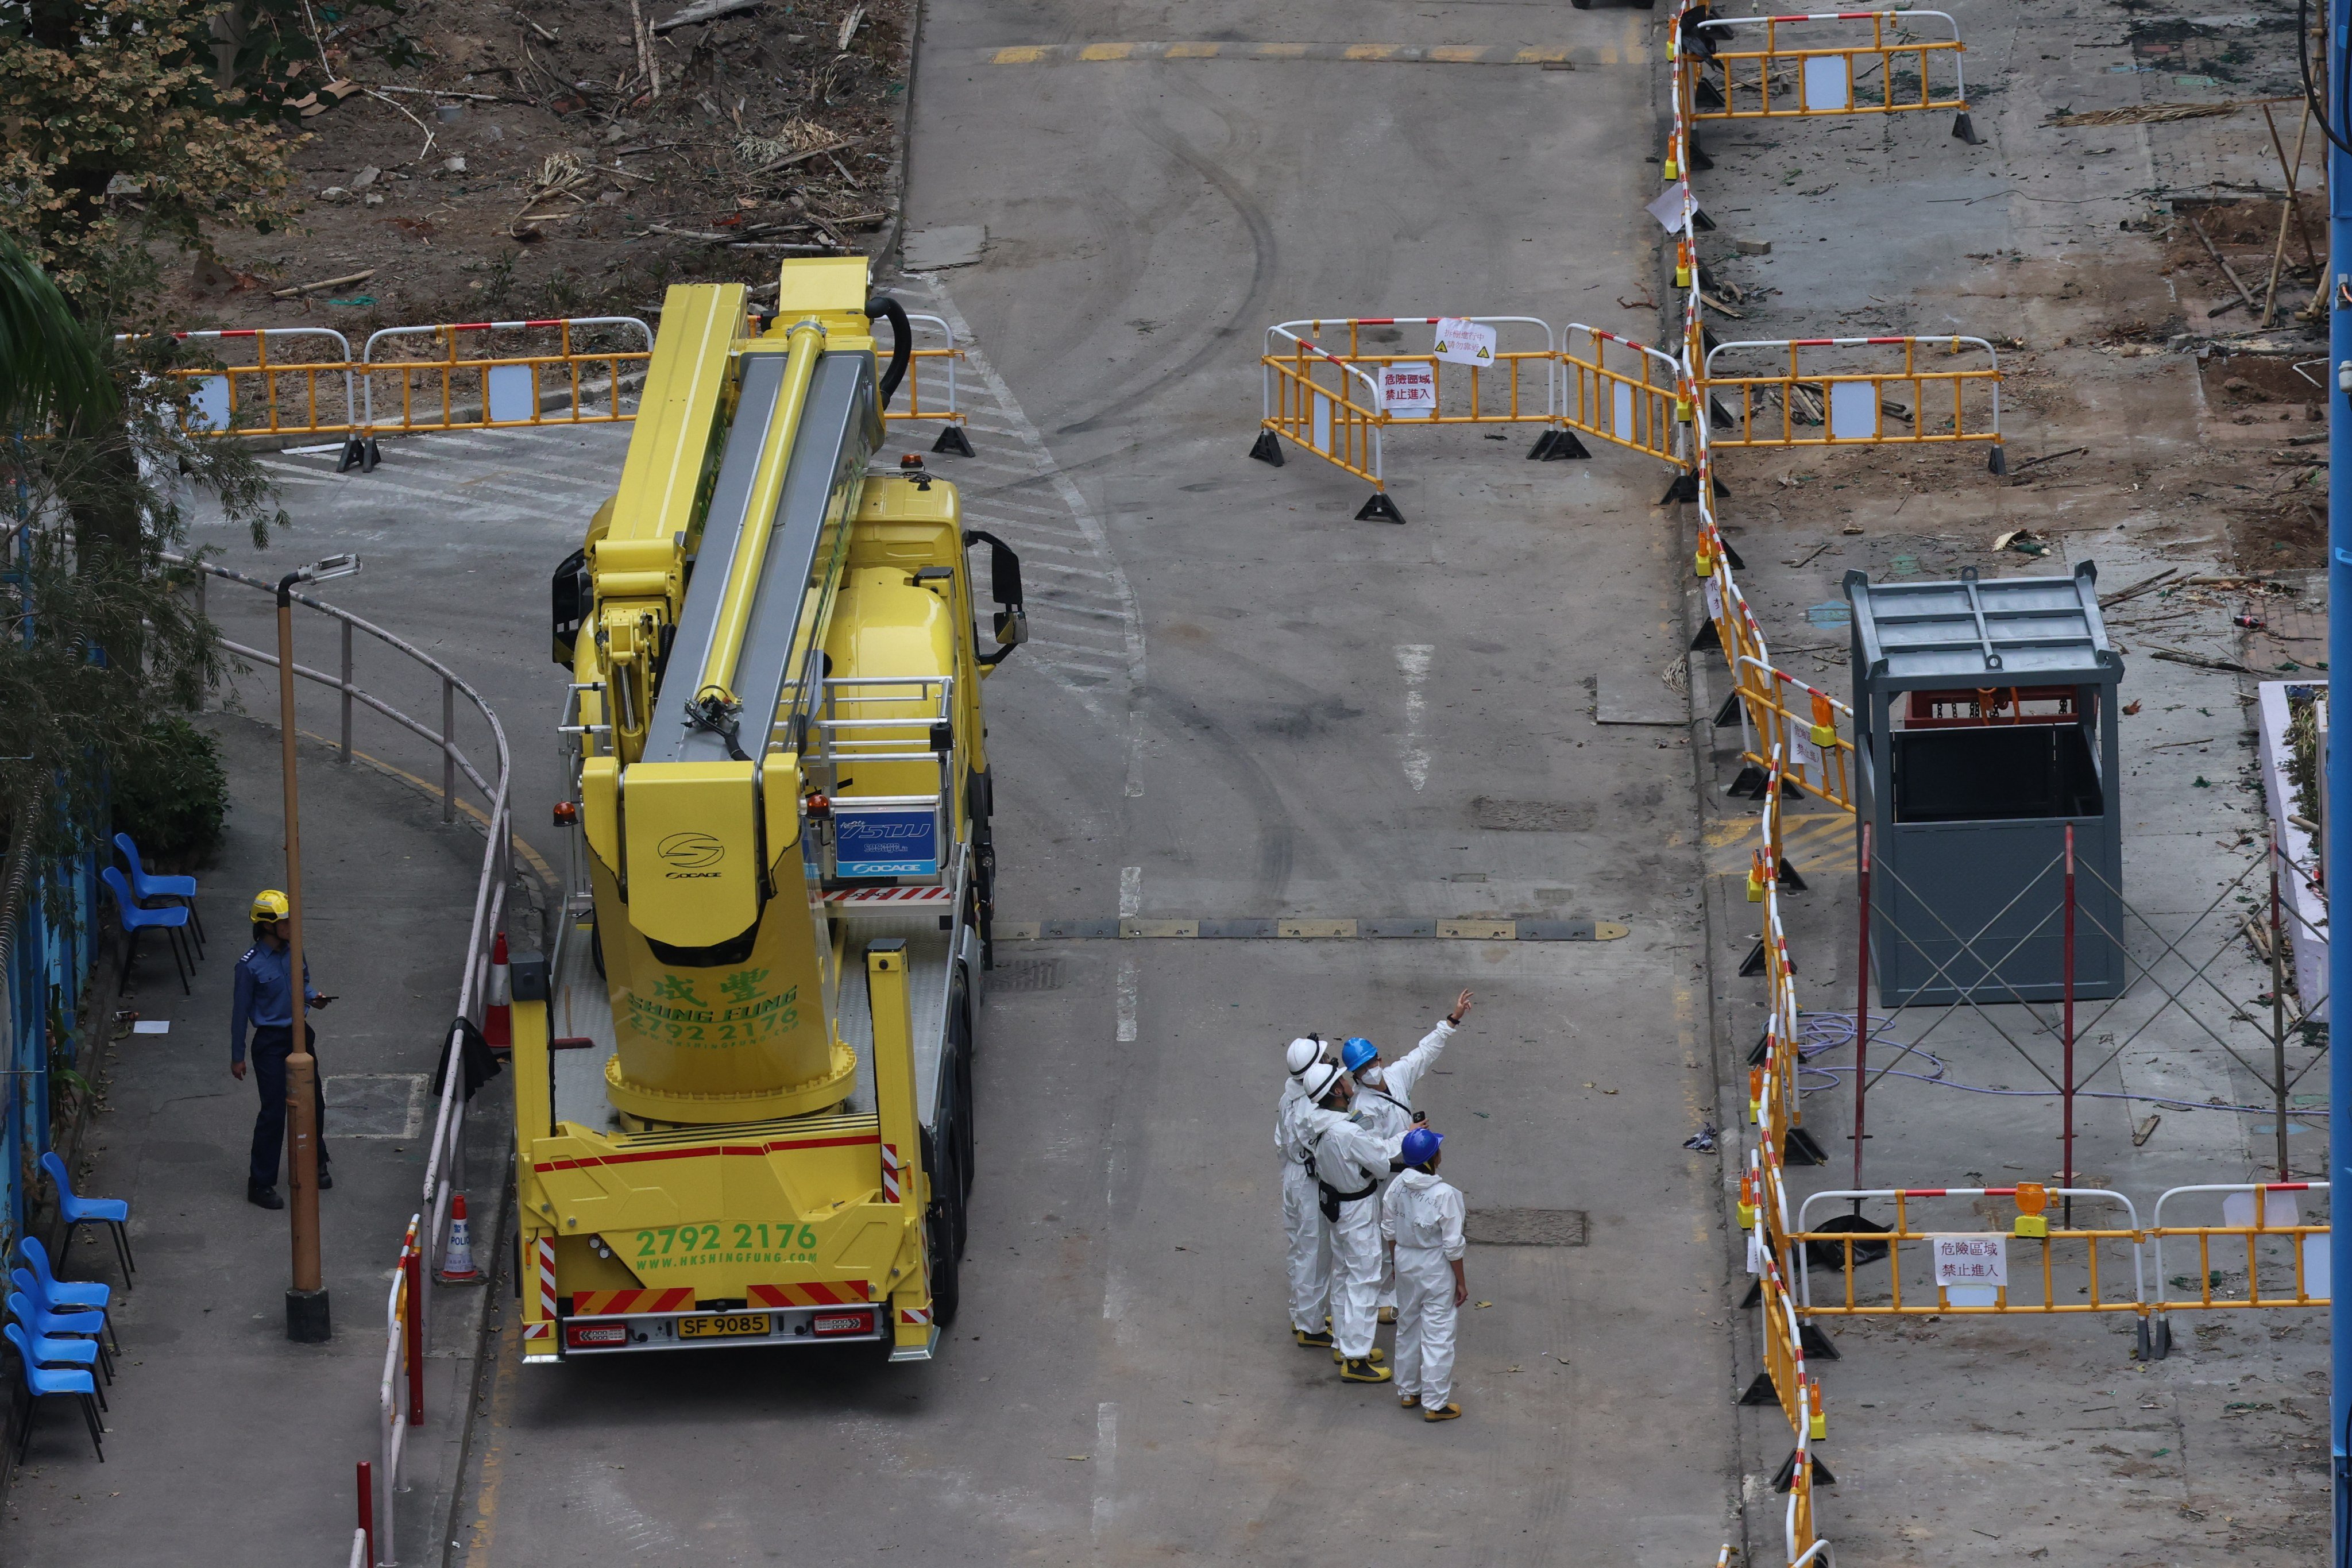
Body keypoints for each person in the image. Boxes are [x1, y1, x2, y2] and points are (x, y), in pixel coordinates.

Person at [1344, 989, 1474, 1320]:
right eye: (1363, 1069)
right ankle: (1382, 1299)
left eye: (1372, 1062)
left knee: (1409, 1229)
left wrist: (1453, 1019)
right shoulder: (1361, 1107)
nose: (1371, 1070)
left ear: (1380, 1059)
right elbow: (1372, 1152)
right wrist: (1408, 1137)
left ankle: (1397, 1294)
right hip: (1386, 1176)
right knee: (1388, 1233)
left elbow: (1424, 1052)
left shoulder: (1395, 1076)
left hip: (1411, 1167)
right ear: (1355, 1076)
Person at [1297, 1060, 1404, 1384]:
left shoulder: (1312, 1122)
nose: (1348, 1080)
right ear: (1336, 1091)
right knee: (1365, 1279)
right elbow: (1381, 1163)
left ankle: (1345, 1345)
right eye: (1342, 1079)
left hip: (1336, 1206)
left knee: (1344, 1275)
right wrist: (1406, 1137)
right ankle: (1356, 1359)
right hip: (1357, 1210)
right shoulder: (1347, 1131)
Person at [231, 890, 335, 1210]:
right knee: (274, 1112)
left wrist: (313, 997)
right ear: (267, 926)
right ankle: (260, 1182)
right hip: (270, 1044)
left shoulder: (295, 950)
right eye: (285, 921)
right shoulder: (248, 967)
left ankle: (316, 1162)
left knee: (313, 1102)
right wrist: (237, 1056)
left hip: (301, 1034)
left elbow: (302, 983)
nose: (292, 926)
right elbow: (239, 1013)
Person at [1381, 1126, 1467, 1422]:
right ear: (1434, 1159)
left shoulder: (1396, 1187)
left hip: (1405, 1258)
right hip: (1435, 1266)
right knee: (1439, 1333)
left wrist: (1396, 1264)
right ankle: (1436, 1402)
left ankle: (1408, 1391)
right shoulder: (1445, 1195)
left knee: (1408, 1325)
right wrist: (1461, 1282)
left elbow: (1389, 1230)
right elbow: (1453, 1246)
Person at [1278, 1037, 1337, 1347]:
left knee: (1298, 1247)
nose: (1329, 1059)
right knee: (1314, 1253)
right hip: (1308, 1181)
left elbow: (1280, 1140)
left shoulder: (1287, 1097)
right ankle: (1311, 1327)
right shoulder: (1309, 1105)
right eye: (1324, 1058)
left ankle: (1301, 1313)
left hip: (1291, 1176)